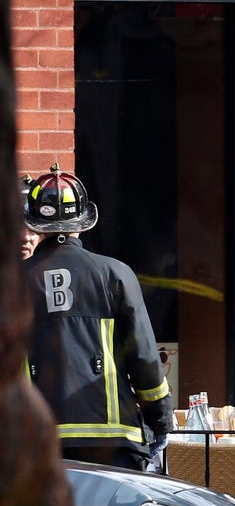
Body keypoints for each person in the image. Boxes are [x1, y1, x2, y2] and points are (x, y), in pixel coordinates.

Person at [22, 165, 172, 469]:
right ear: (82, 222)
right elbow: (143, 359)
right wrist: (160, 420)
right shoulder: (114, 274)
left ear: (36, 226)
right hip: (112, 441)